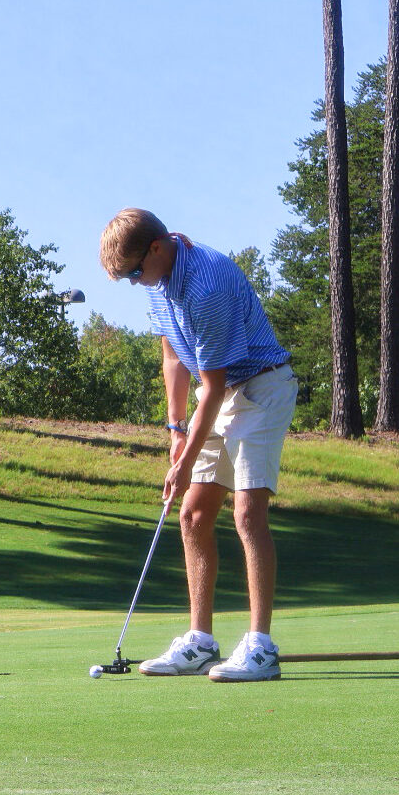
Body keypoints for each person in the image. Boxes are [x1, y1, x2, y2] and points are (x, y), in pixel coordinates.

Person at [99, 208, 297, 682]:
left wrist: (185, 461)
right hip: (221, 395)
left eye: (133, 273)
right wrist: (175, 429)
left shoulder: (205, 287)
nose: (135, 283)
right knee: (192, 515)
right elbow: (172, 355)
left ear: (156, 247)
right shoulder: (161, 280)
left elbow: (213, 383)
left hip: (260, 390)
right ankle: (201, 642)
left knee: (248, 514)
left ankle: (261, 648)